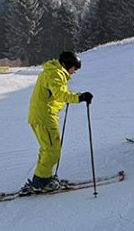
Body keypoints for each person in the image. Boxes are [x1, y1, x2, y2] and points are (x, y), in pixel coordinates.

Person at [23, 51, 93, 192]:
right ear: (67, 65)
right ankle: (41, 182)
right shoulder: (56, 73)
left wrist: (66, 99)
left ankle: (42, 179)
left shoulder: (52, 72)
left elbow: (55, 93)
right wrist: (79, 98)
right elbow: (59, 93)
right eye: (75, 68)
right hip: (45, 117)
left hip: (41, 115)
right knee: (52, 151)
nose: (75, 72)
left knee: (47, 149)